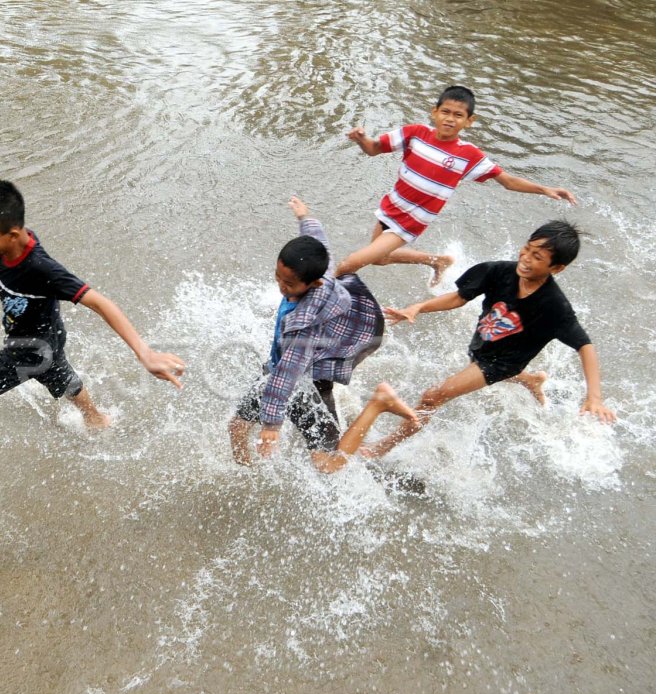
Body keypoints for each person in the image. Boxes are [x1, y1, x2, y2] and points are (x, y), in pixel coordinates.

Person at [0, 180, 186, 514]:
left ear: (13, 234)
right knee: (58, 371)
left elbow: (99, 302)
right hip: (50, 340)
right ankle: (96, 419)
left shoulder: (41, 268)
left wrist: (145, 352)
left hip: (26, 353)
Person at [363, 220, 616, 458]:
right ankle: (530, 380)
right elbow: (459, 297)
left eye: (537, 257)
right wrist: (418, 307)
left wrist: (594, 397)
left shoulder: (555, 306)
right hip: (483, 344)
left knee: (433, 396)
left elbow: (585, 346)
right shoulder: (498, 271)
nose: (525, 259)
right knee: (473, 358)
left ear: (557, 268)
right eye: (526, 249)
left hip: (503, 362)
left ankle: (382, 447)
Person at [229, 197, 413, 473]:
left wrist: (271, 424)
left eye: (288, 283)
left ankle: (379, 403)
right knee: (237, 427)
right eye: (278, 276)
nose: (281, 286)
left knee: (327, 466)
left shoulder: (305, 325)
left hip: (310, 385)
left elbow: (288, 372)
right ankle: (246, 474)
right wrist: (306, 218)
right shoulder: (322, 272)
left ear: (312, 283)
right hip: (283, 370)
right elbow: (319, 242)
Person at [337, 85, 577, 286]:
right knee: (379, 258)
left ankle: (306, 298)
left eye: (458, 115)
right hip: (391, 206)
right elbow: (374, 149)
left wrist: (545, 189)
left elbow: (507, 181)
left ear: (469, 121)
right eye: (445, 112)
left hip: (411, 221)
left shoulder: (468, 155)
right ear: (435, 112)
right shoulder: (416, 133)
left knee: (349, 264)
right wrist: (361, 139)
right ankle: (436, 260)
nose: (450, 119)